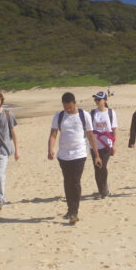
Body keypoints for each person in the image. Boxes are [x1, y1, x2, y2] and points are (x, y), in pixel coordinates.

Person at [47, 92, 102, 224]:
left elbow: (90, 135)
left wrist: (97, 155)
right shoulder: (59, 116)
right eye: (66, 108)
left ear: (75, 103)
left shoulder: (84, 115)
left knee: (75, 181)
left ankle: (74, 211)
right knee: (67, 181)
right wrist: (50, 149)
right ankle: (70, 209)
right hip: (63, 155)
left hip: (79, 154)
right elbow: (53, 134)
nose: (68, 110)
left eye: (70, 107)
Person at [89, 91, 117, 198]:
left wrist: (115, 145)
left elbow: (114, 129)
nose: (97, 101)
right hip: (94, 145)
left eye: (99, 99)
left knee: (103, 166)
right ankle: (101, 190)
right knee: (97, 168)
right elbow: (89, 130)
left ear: (105, 100)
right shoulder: (91, 113)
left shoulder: (111, 113)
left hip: (106, 144)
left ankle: (104, 189)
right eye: (95, 99)